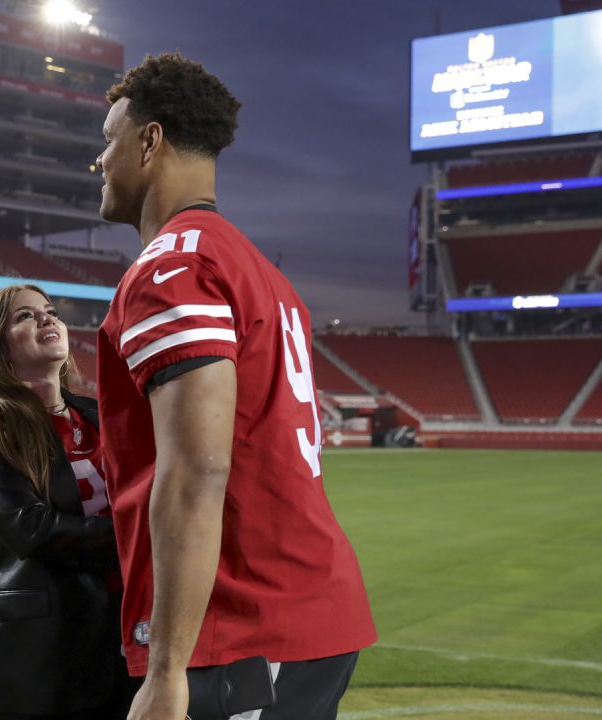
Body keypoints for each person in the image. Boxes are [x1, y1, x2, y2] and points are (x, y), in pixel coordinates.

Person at [93, 53, 377, 720]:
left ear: (149, 140)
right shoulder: (256, 269)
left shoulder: (174, 266)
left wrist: (165, 671)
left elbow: (198, 468)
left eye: (107, 140)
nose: (99, 161)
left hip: (242, 624)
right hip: (302, 608)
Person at [0, 285, 132, 720]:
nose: (47, 320)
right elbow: (32, 530)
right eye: (26, 316)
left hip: (125, 643)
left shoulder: (99, 415)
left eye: (50, 312)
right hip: (42, 663)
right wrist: (144, 540)